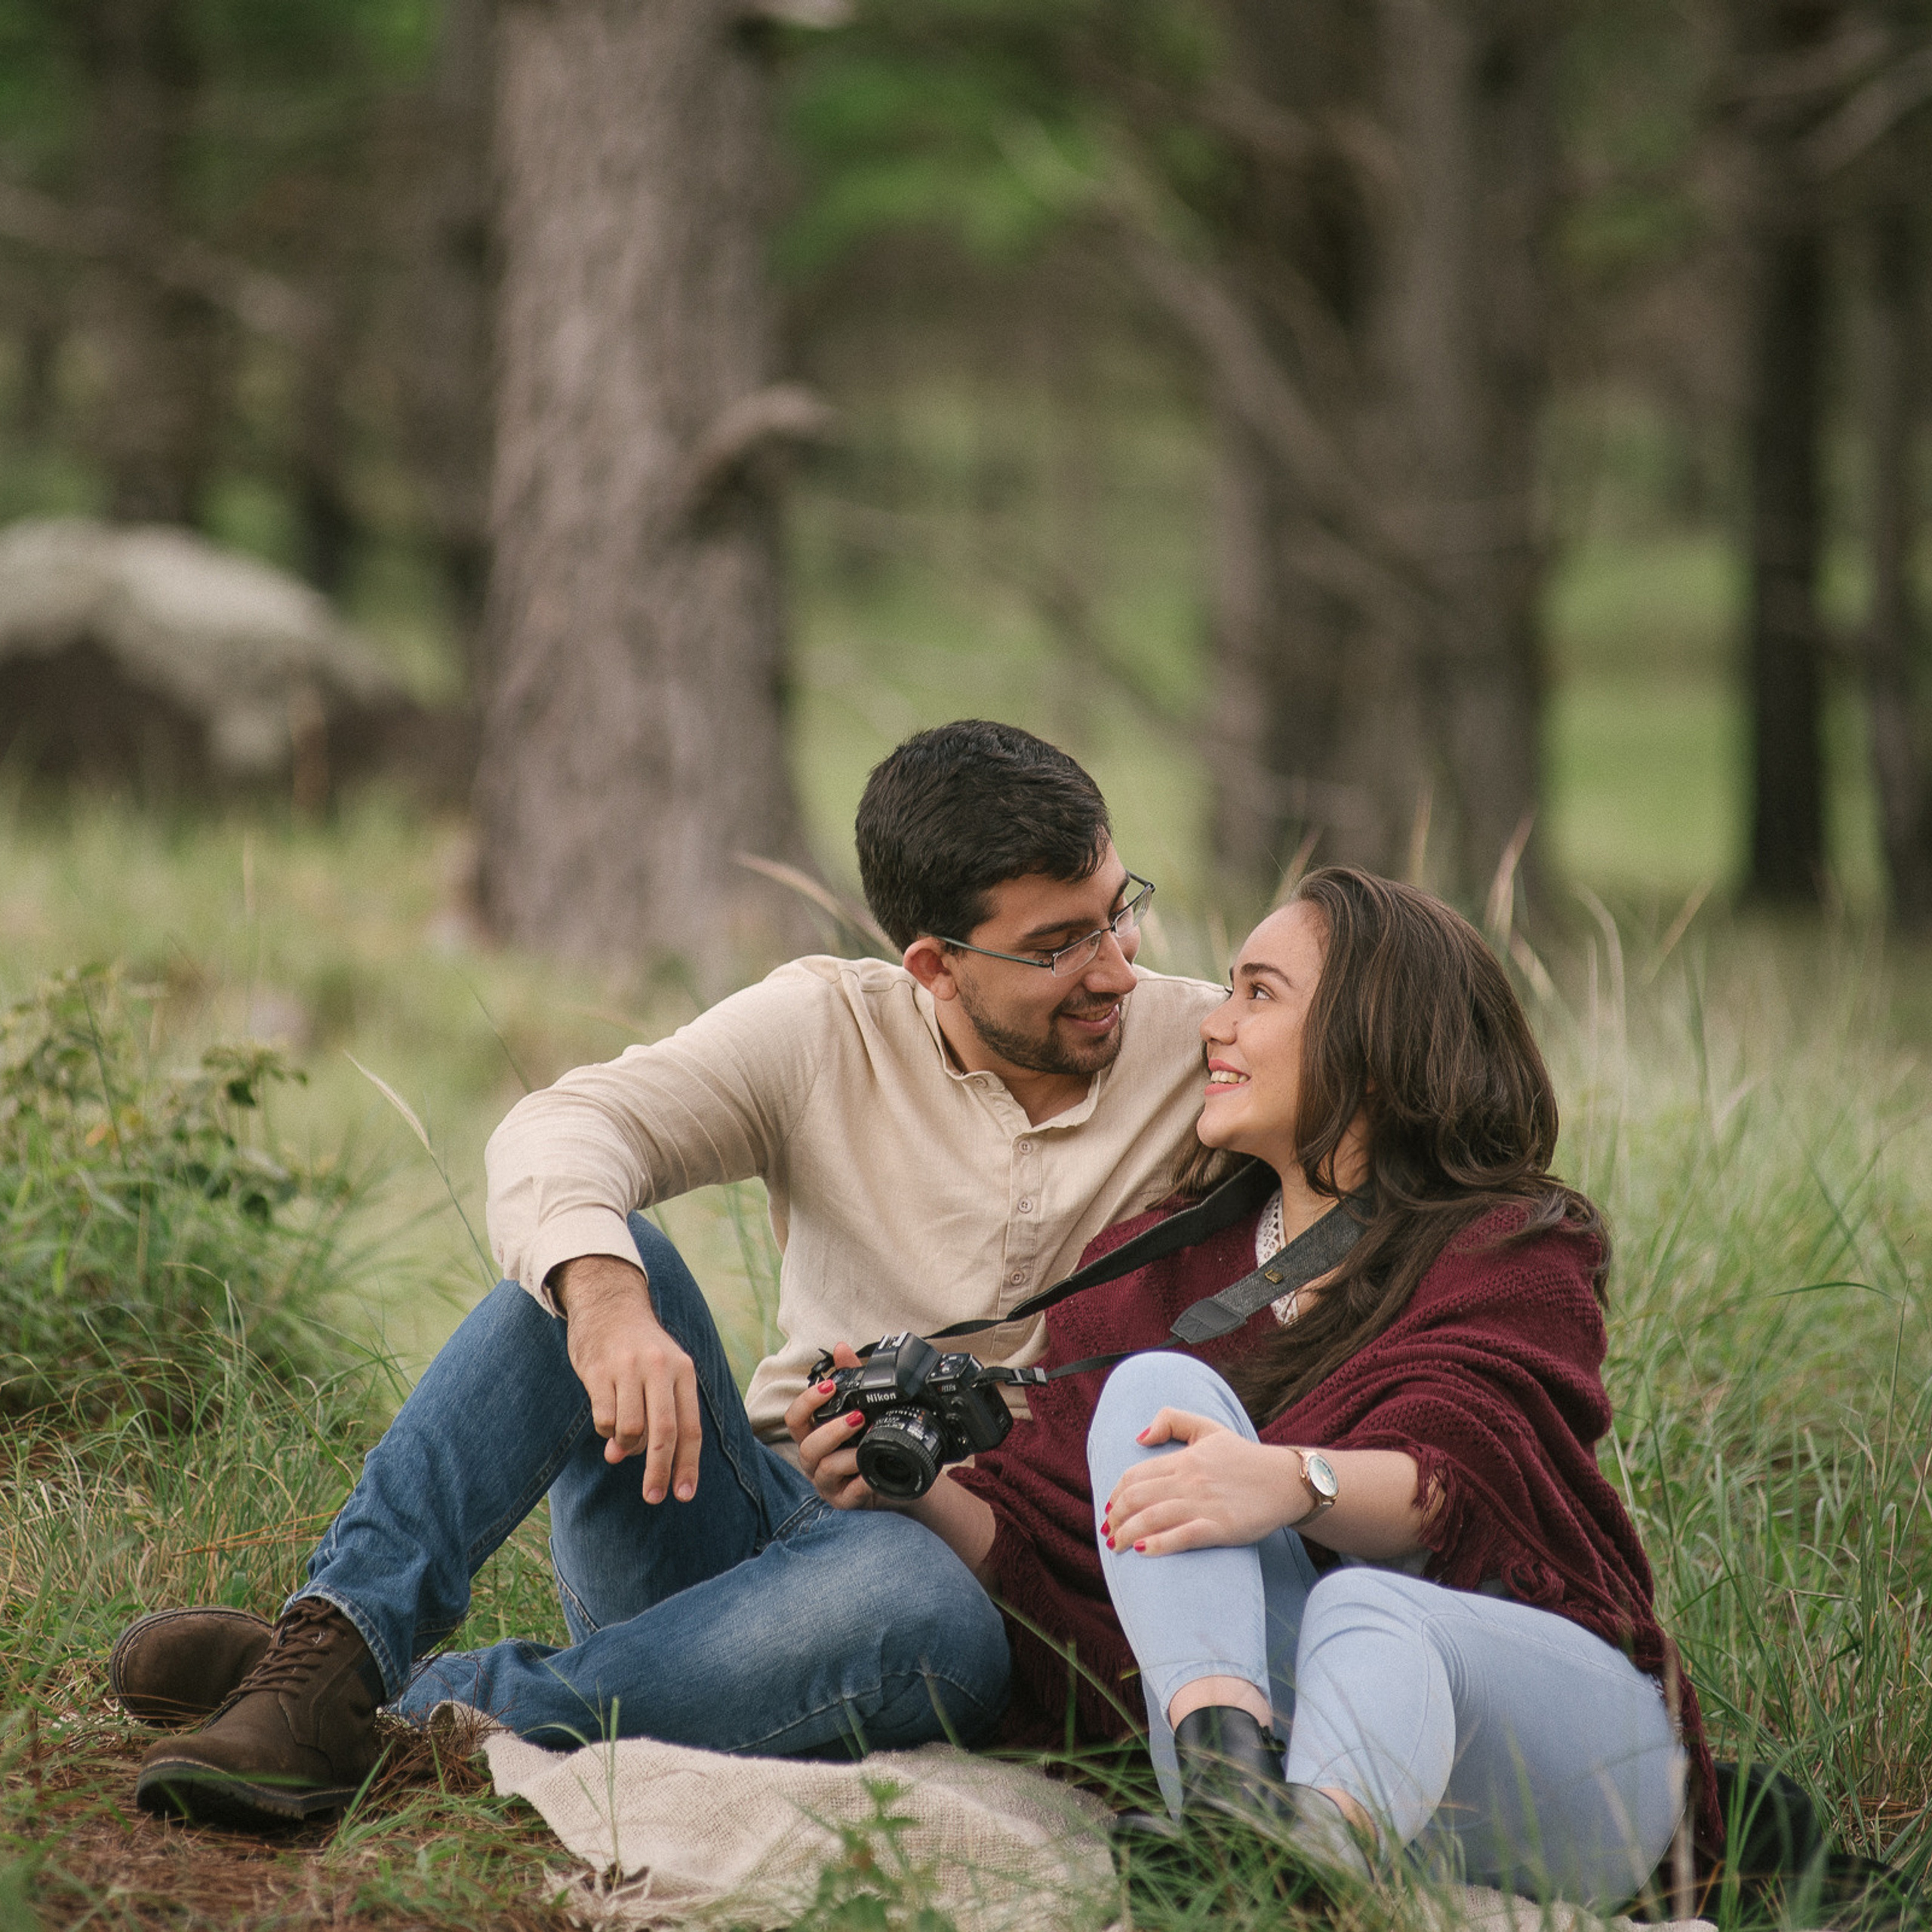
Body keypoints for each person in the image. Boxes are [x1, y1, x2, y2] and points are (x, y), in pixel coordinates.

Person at [118, 720, 1223, 1829]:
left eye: (1122, 910)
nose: (1117, 968)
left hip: (972, 1582)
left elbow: (1374, 1142)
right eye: (1060, 945)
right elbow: (568, 1123)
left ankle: (400, 1709)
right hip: (737, 1518)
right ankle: (332, 1647)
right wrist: (604, 1303)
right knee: (602, 1254)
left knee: (912, 1593)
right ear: (931, 966)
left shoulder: (1205, 1054)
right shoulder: (825, 1026)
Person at [792, 868, 1717, 1908]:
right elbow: (1071, 1587)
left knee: (1372, 1608)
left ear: (1375, 1035)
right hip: (1307, 1744)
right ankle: (1249, 1821)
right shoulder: (1155, 1271)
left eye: (1258, 994)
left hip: (1551, 1758)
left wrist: (1295, 1483)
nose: (1211, 1027)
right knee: (1155, 1388)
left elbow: (1476, 1473)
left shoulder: (1510, 1244)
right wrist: (912, 1485)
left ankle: (1296, 1848)